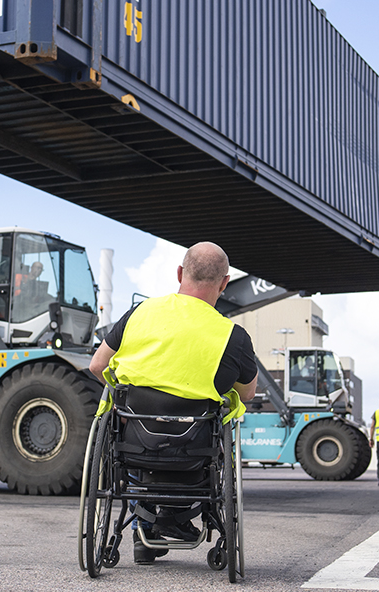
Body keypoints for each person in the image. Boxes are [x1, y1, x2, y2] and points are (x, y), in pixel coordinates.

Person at [88, 241, 258, 566]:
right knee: (210, 438)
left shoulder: (140, 314)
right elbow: (247, 394)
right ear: (224, 283)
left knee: (127, 431)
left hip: (135, 445)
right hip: (195, 450)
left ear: (180, 273)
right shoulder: (233, 337)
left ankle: (144, 527)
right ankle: (174, 517)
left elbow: (97, 366)